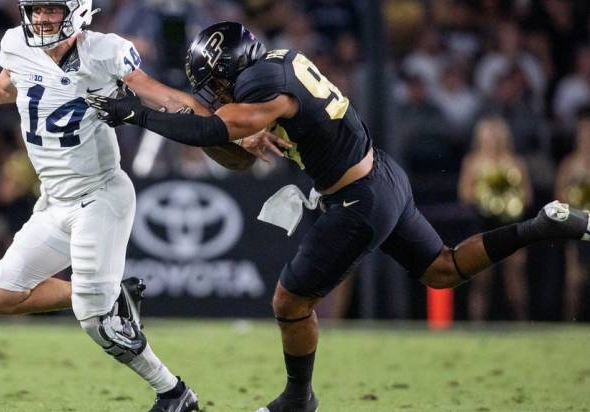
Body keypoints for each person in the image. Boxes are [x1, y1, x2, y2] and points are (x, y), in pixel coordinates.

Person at [86, 21, 590, 412]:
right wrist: (242, 132)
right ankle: (541, 225)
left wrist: (135, 112)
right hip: (381, 176)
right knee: (443, 268)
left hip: (357, 198)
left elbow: (215, 131)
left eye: (217, 83)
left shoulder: (264, 86)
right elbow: (236, 150)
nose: (216, 92)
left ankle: (298, 400)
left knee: (289, 302)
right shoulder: (279, 62)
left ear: (235, 68)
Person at [0, 0, 276, 409]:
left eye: (53, 9)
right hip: (53, 201)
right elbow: (1, 87)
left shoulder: (105, 53)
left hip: (100, 194)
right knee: (2, 295)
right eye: (36, 10)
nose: (43, 20)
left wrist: (230, 129)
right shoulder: (16, 44)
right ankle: (111, 295)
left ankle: (174, 393)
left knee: (96, 321)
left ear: (79, 11)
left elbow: (162, 97)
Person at [458, 117, 533, 320]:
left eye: (495, 136)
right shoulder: (472, 162)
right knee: (481, 278)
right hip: (482, 225)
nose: (492, 140)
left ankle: (522, 323)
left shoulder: (516, 163)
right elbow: (464, 194)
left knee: (515, 276)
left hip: (510, 225)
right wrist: (488, 196)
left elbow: (527, 197)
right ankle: (476, 325)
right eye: (487, 136)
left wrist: (507, 198)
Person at [555, 109, 590, 320]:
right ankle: (571, 323)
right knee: (575, 280)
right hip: (579, 225)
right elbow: (558, 196)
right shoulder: (569, 164)